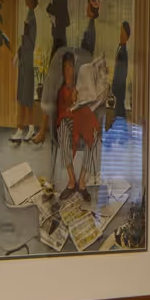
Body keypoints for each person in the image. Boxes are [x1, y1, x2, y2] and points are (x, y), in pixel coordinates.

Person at [51, 48, 102, 199]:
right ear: (63, 69)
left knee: (93, 134)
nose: (68, 70)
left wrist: (81, 99)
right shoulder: (61, 90)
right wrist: (70, 106)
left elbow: (86, 107)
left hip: (81, 119)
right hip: (67, 122)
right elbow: (61, 113)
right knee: (63, 132)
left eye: (71, 67)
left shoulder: (80, 85)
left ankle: (82, 182)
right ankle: (71, 181)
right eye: (66, 67)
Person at [10, 0, 41, 144]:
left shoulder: (31, 18)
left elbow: (28, 42)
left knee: (26, 95)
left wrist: (19, 54)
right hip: (25, 58)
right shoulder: (30, 16)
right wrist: (19, 55)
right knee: (24, 94)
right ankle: (24, 128)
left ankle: (26, 128)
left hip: (27, 59)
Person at [111, 21, 132, 129]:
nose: (120, 35)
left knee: (119, 109)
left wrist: (116, 85)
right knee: (118, 108)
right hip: (118, 87)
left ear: (127, 36)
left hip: (120, 87)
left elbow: (122, 72)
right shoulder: (120, 48)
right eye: (121, 32)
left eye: (123, 33)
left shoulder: (123, 52)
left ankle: (121, 127)